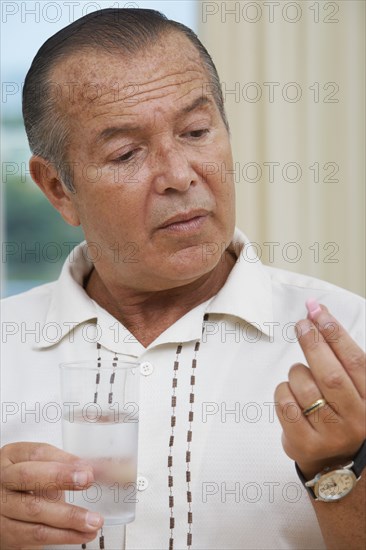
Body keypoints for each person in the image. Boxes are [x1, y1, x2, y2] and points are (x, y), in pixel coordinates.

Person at [1, 8, 365, 550]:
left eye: (196, 131)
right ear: (57, 187)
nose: (178, 175)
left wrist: (338, 471)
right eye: (126, 153)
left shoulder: (351, 341)